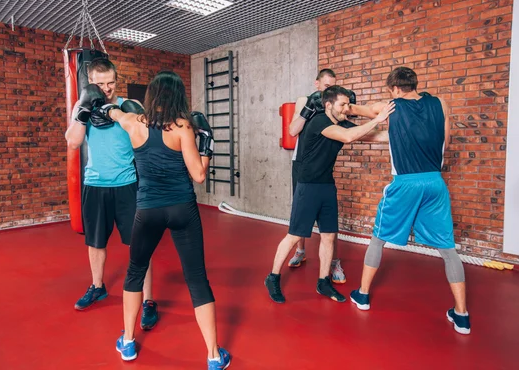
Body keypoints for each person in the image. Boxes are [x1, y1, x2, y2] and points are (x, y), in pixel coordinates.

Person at [89, 71, 230, 368]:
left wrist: (102, 107)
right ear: (179, 96)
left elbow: (112, 112)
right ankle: (214, 356)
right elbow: (199, 176)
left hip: (148, 209)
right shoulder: (183, 128)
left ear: (150, 96)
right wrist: (207, 147)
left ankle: (128, 342)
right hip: (182, 209)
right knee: (197, 278)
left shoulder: (133, 122)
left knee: (135, 272)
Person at [347, 66, 471, 335]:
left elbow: (357, 111)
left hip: (405, 183)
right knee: (448, 248)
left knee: (379, 238)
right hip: (435, 182)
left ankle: (363, 295)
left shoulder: (390, 105)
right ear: (414, 84)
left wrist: (342, 102)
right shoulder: (440, 103)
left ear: (393, 88)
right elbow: (445, 142)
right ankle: (461, 316)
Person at [265, 86, 394, 303]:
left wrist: (405, 133)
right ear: (328, 105)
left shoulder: (341, 122)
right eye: (342, 105)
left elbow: (373, 136)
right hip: (308, 186)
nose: (347, 109)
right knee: (295, 235)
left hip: (326, 185)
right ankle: (273, 277)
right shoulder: (319, 122)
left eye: (348, 105)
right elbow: (349, 136)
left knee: (328, 236)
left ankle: (323, 282)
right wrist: (378, 119)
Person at [64, 58, 159, 330]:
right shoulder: (82, 107)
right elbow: (73, 142)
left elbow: (149, 137)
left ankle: (149, 300)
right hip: (95, 186)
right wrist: (83, 111)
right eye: (99, 83)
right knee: (95, 243)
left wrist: (133, 117)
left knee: (140, 245)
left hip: (127, 185)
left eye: (110, 83)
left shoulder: (130, 106)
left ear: (117, 80)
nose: (106, 88)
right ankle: (97, 286)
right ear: (90, 83)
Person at [286, 69, 347, 284]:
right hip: (301, 161)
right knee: (300, 210)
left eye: (333, 86)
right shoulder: (305, 100)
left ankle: (333, 261)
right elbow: (293, 131)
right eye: (326, 86)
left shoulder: (337, 104)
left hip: (322, 160)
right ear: (317, 84)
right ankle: (300, 251)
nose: (329, 90)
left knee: (329, 216)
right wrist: (308, 109)